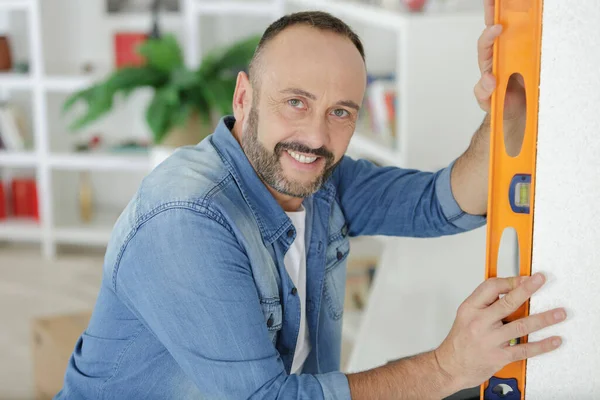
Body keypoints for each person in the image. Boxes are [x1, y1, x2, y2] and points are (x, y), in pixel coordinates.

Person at [55, 2, 566, 399]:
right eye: (296, 102)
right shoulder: (186, 218)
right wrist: (445, 367)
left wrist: (509, 107)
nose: (316, 136)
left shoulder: (319, 180)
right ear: (243, 97)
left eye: (340, 112)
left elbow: (440, 202)